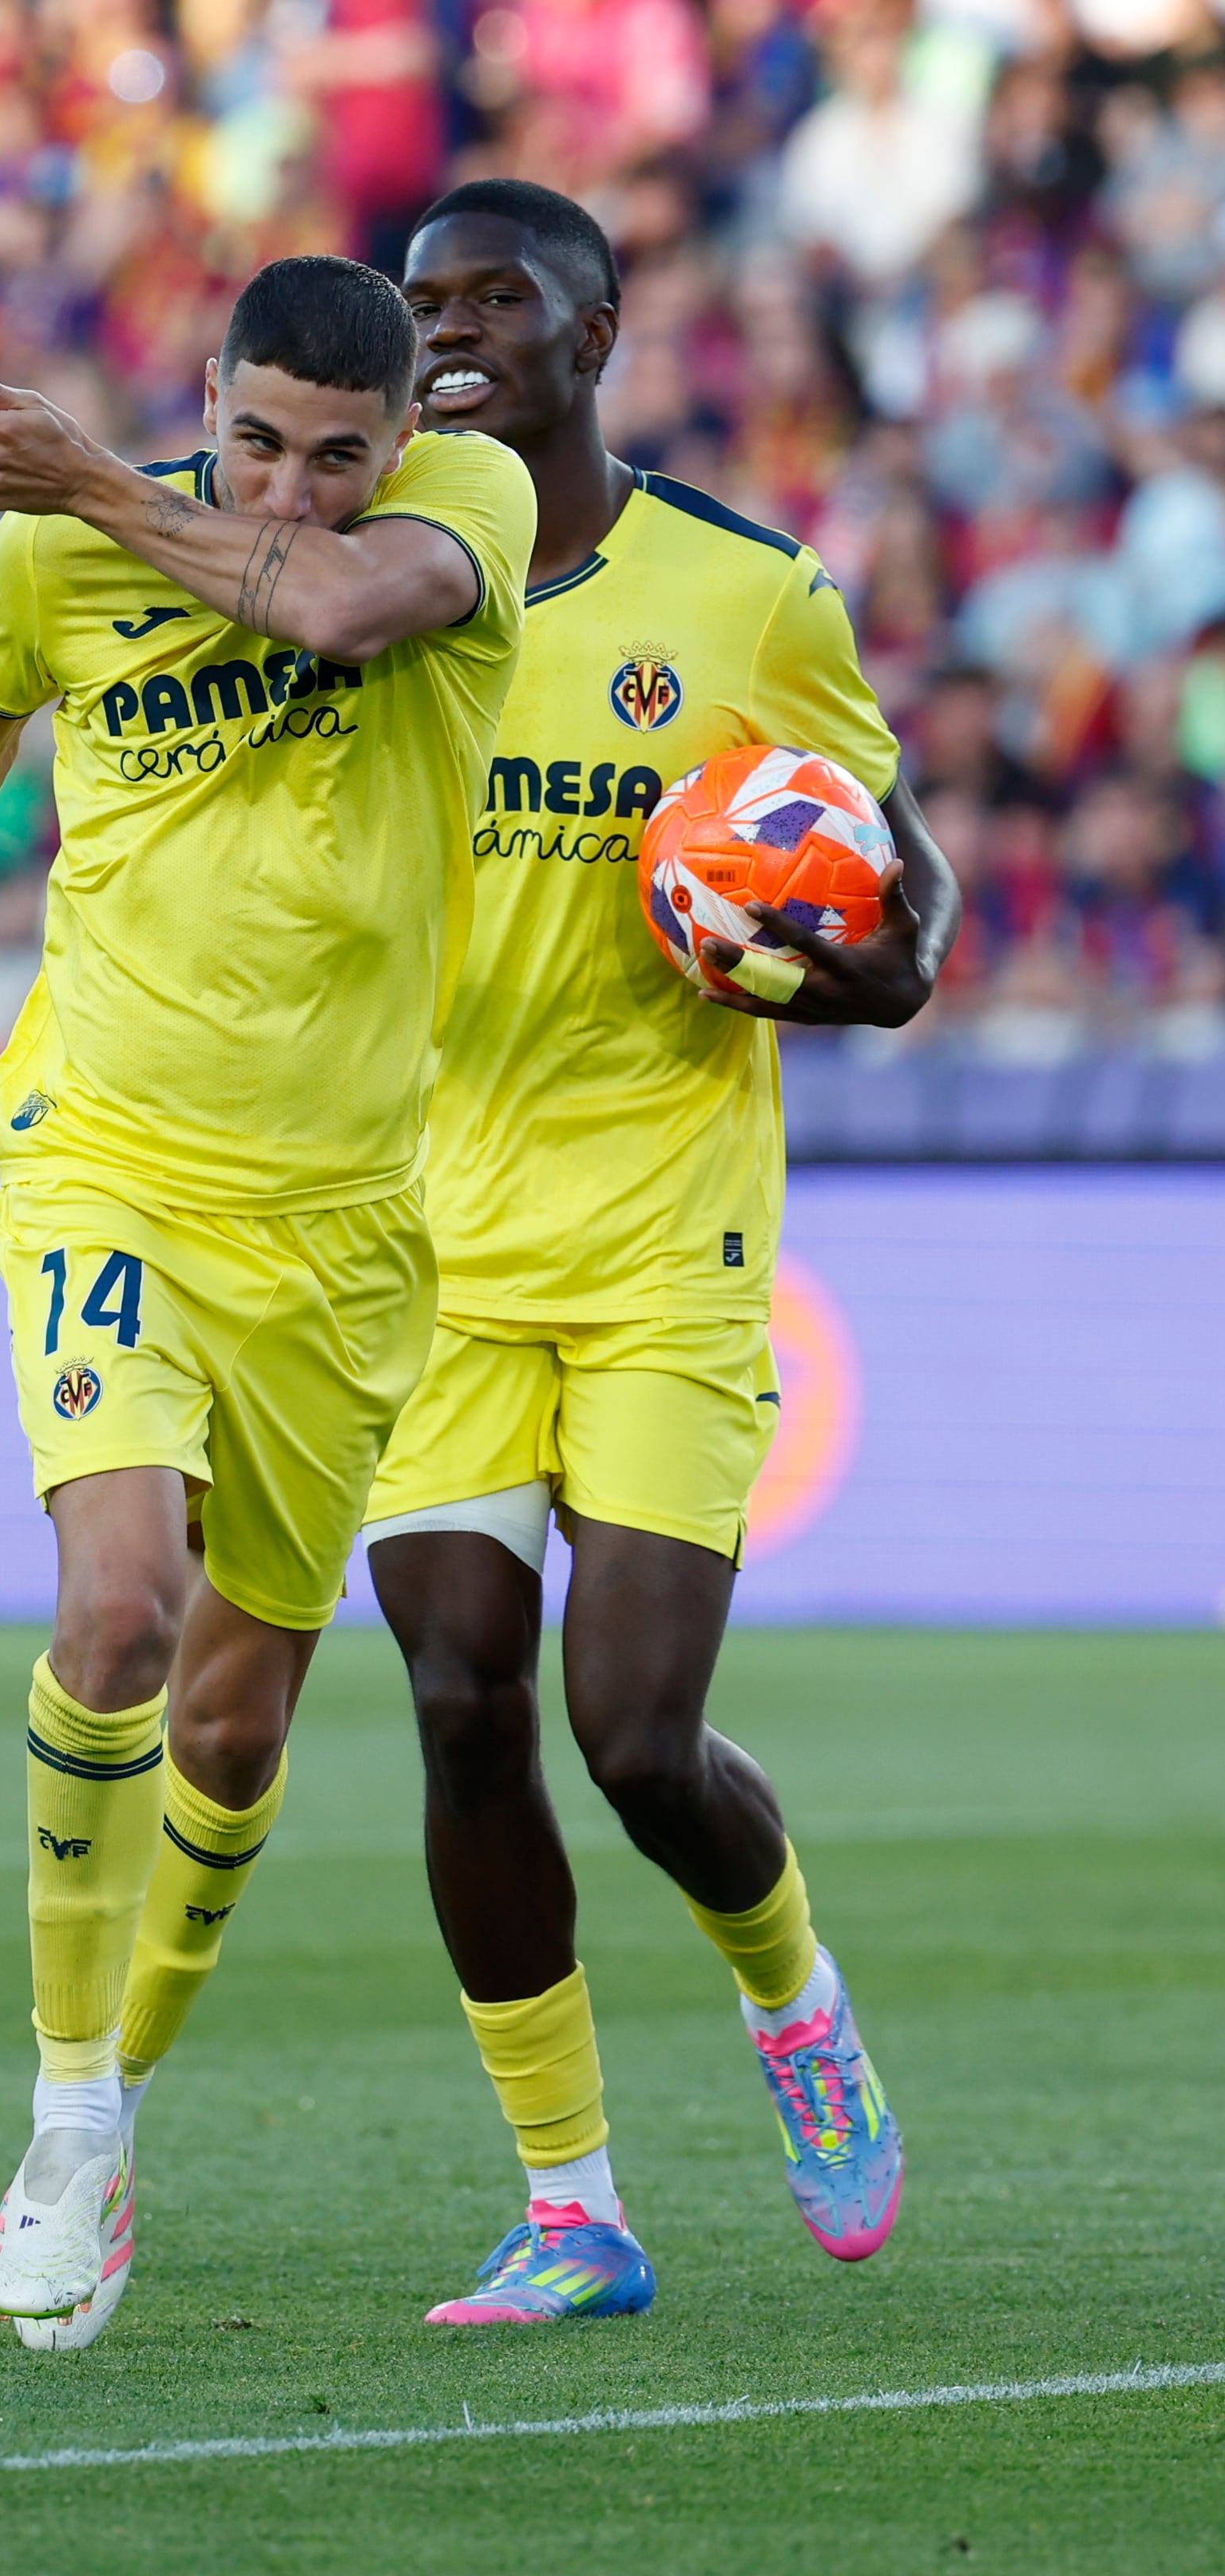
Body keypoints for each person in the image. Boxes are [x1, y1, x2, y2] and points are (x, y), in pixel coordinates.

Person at [0, 254, 535, 2354]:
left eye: (342, 455)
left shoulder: (470, 524)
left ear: (407, 436)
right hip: (106, 1163)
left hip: (341, 1231)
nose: (298, 490)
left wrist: (89, 482)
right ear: (207, 400)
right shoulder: (72, 549)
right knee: (120, 1608)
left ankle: (123, 2082)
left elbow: (323, 608)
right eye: (257, 443)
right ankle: (64, 2114)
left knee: (239, 1716)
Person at [359, 179, 961, 2324]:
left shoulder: (746, 596)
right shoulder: (375, 589)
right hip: (423, 1232)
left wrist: (878, 967)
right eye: (423, 302)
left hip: (661, 1233)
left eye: (493, 299)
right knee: (455, 1700)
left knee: (630, 1739)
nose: (447, 332)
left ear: (595, 335)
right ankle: (570, 2203)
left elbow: (894, 865)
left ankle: (792, 2002)